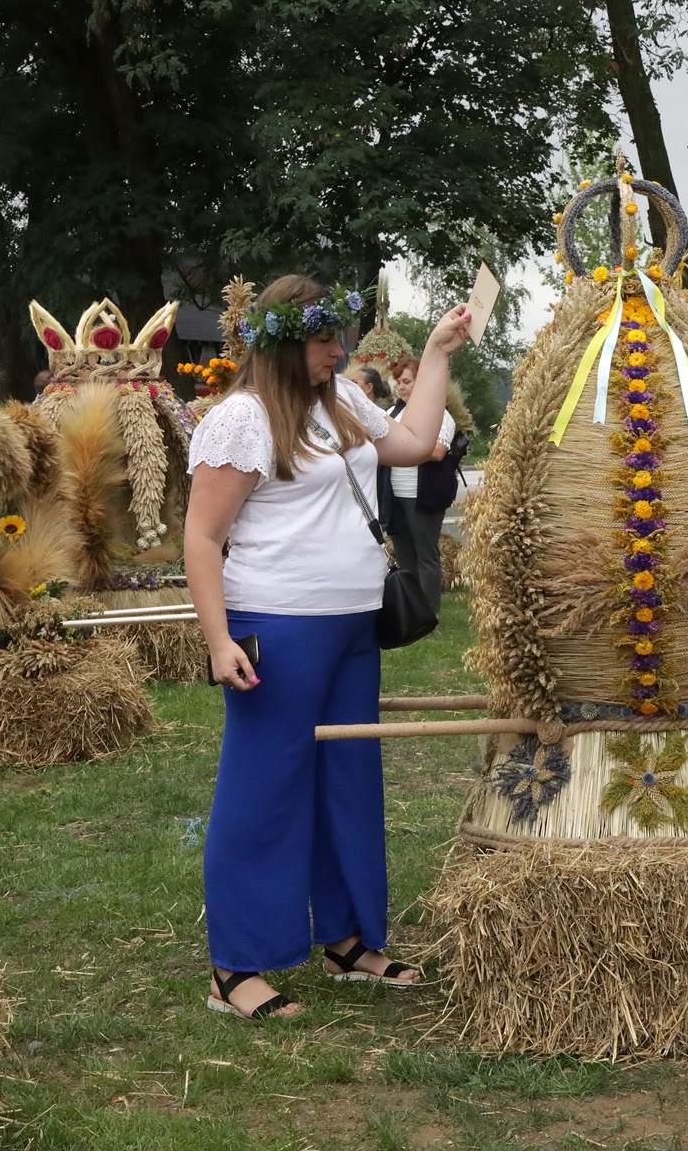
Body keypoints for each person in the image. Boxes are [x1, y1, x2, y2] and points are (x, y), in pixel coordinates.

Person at [184, 274, 470, 1020]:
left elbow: (411, 444)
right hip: (275, 625)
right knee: (265, 790)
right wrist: (219, 641)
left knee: (349, 778)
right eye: (320, 340)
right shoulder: (242, 420)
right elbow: (202, 537)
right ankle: (235, 967)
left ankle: (348, 939)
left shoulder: (341, 400)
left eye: (334, 338)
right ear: (283, 343)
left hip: (351, 626)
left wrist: (438, 353)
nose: (335, 350)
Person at [384, 359, 457, 614]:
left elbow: (437, 451)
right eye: (399, 382)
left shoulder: (440, 414)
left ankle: (430, 613)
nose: (401, 387)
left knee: (426, 556)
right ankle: (413, 613)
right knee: (404, 557)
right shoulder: (393, 413)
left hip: (423, 496)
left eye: (407, 382)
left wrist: (403, 448)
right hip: (395, 495)